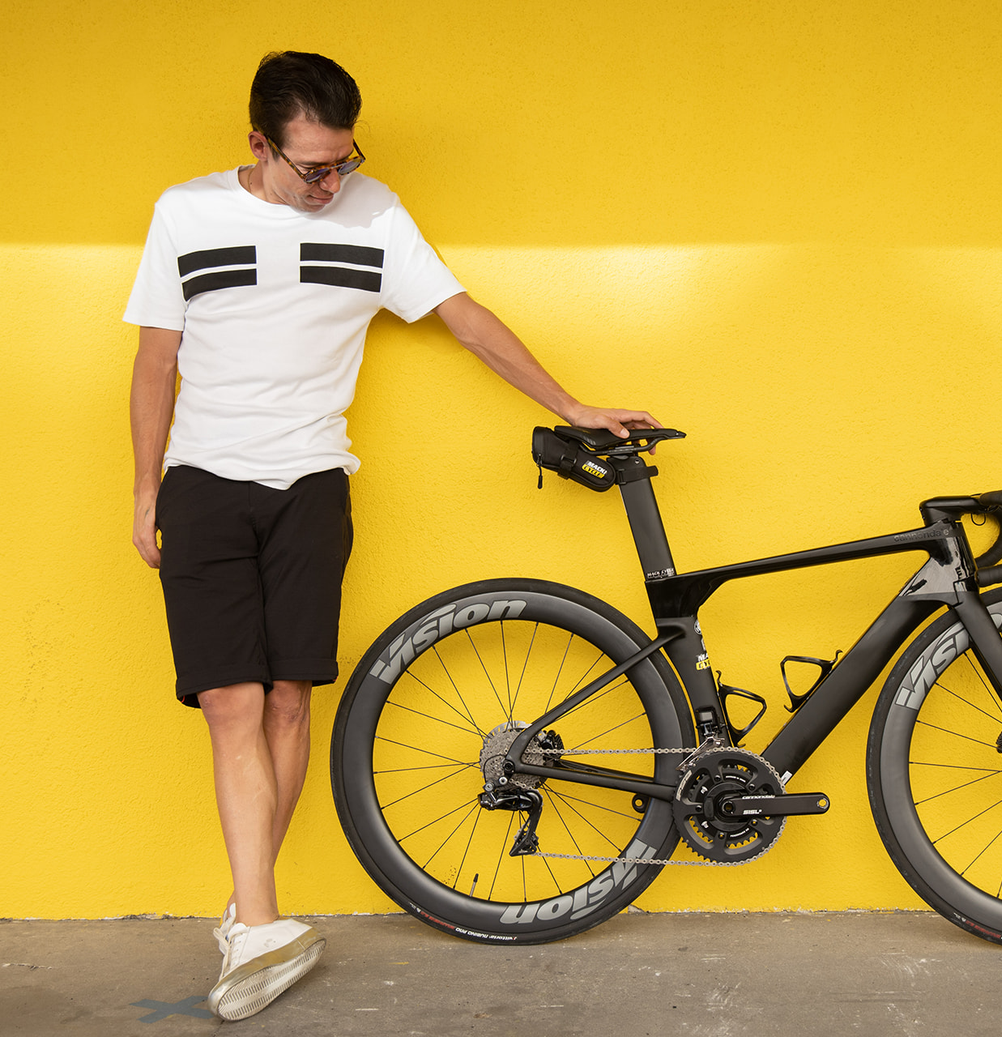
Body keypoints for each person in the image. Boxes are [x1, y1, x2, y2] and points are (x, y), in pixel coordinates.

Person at [126, 51, 658, 1022]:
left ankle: (251, 918)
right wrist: (142, 488)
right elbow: (155, 360)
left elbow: (466, 318)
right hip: (204, 482)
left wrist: (570, 402)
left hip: (312, 481)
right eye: (312, 166)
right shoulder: (186, 213)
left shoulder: (374, 214)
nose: (331, 182)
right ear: (258, 145)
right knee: (231, 702)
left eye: (344, 161)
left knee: (289, 700)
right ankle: (259, 920)